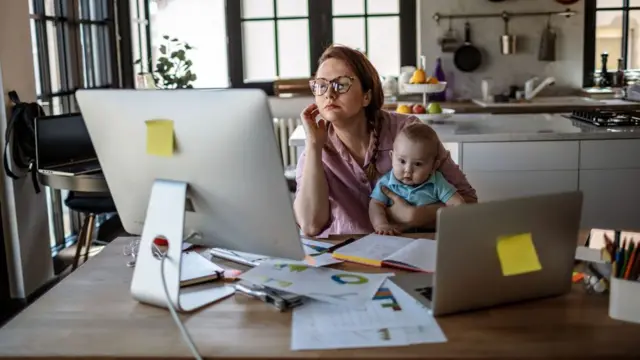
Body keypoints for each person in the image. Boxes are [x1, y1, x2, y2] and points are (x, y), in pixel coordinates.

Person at [293, 45, 477, 237]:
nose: (329, 94)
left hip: (412, 249)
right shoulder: (315, 148)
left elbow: (469, 203)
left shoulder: (407, 131)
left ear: (366, 96)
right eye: (321, 85)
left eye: (341, 84)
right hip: (348, 257)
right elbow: (310, 226)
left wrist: (417, 216)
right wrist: (314, 145)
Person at [369, 122, 465, 235]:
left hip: (431, 235)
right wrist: (381, 224)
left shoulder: (437, 182)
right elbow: (375, 204)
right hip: (399, 236)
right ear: (392, 157)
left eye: (418, 164)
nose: (408, 170)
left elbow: (458, 204)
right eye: (402, 161)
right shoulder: (386, 183)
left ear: (434, 166)